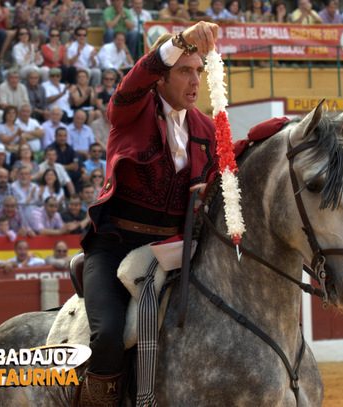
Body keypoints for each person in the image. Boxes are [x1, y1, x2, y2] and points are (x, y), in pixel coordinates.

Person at [75, 21, 219, 405]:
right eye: (184, 71)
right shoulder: (131, 111)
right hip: (116, 247)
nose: (195, 81)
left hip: (174, 253)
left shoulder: (207, 128)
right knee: (107, 336)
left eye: (199, 71)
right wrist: (181, 40)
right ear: (160, 78)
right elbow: (134, 81)